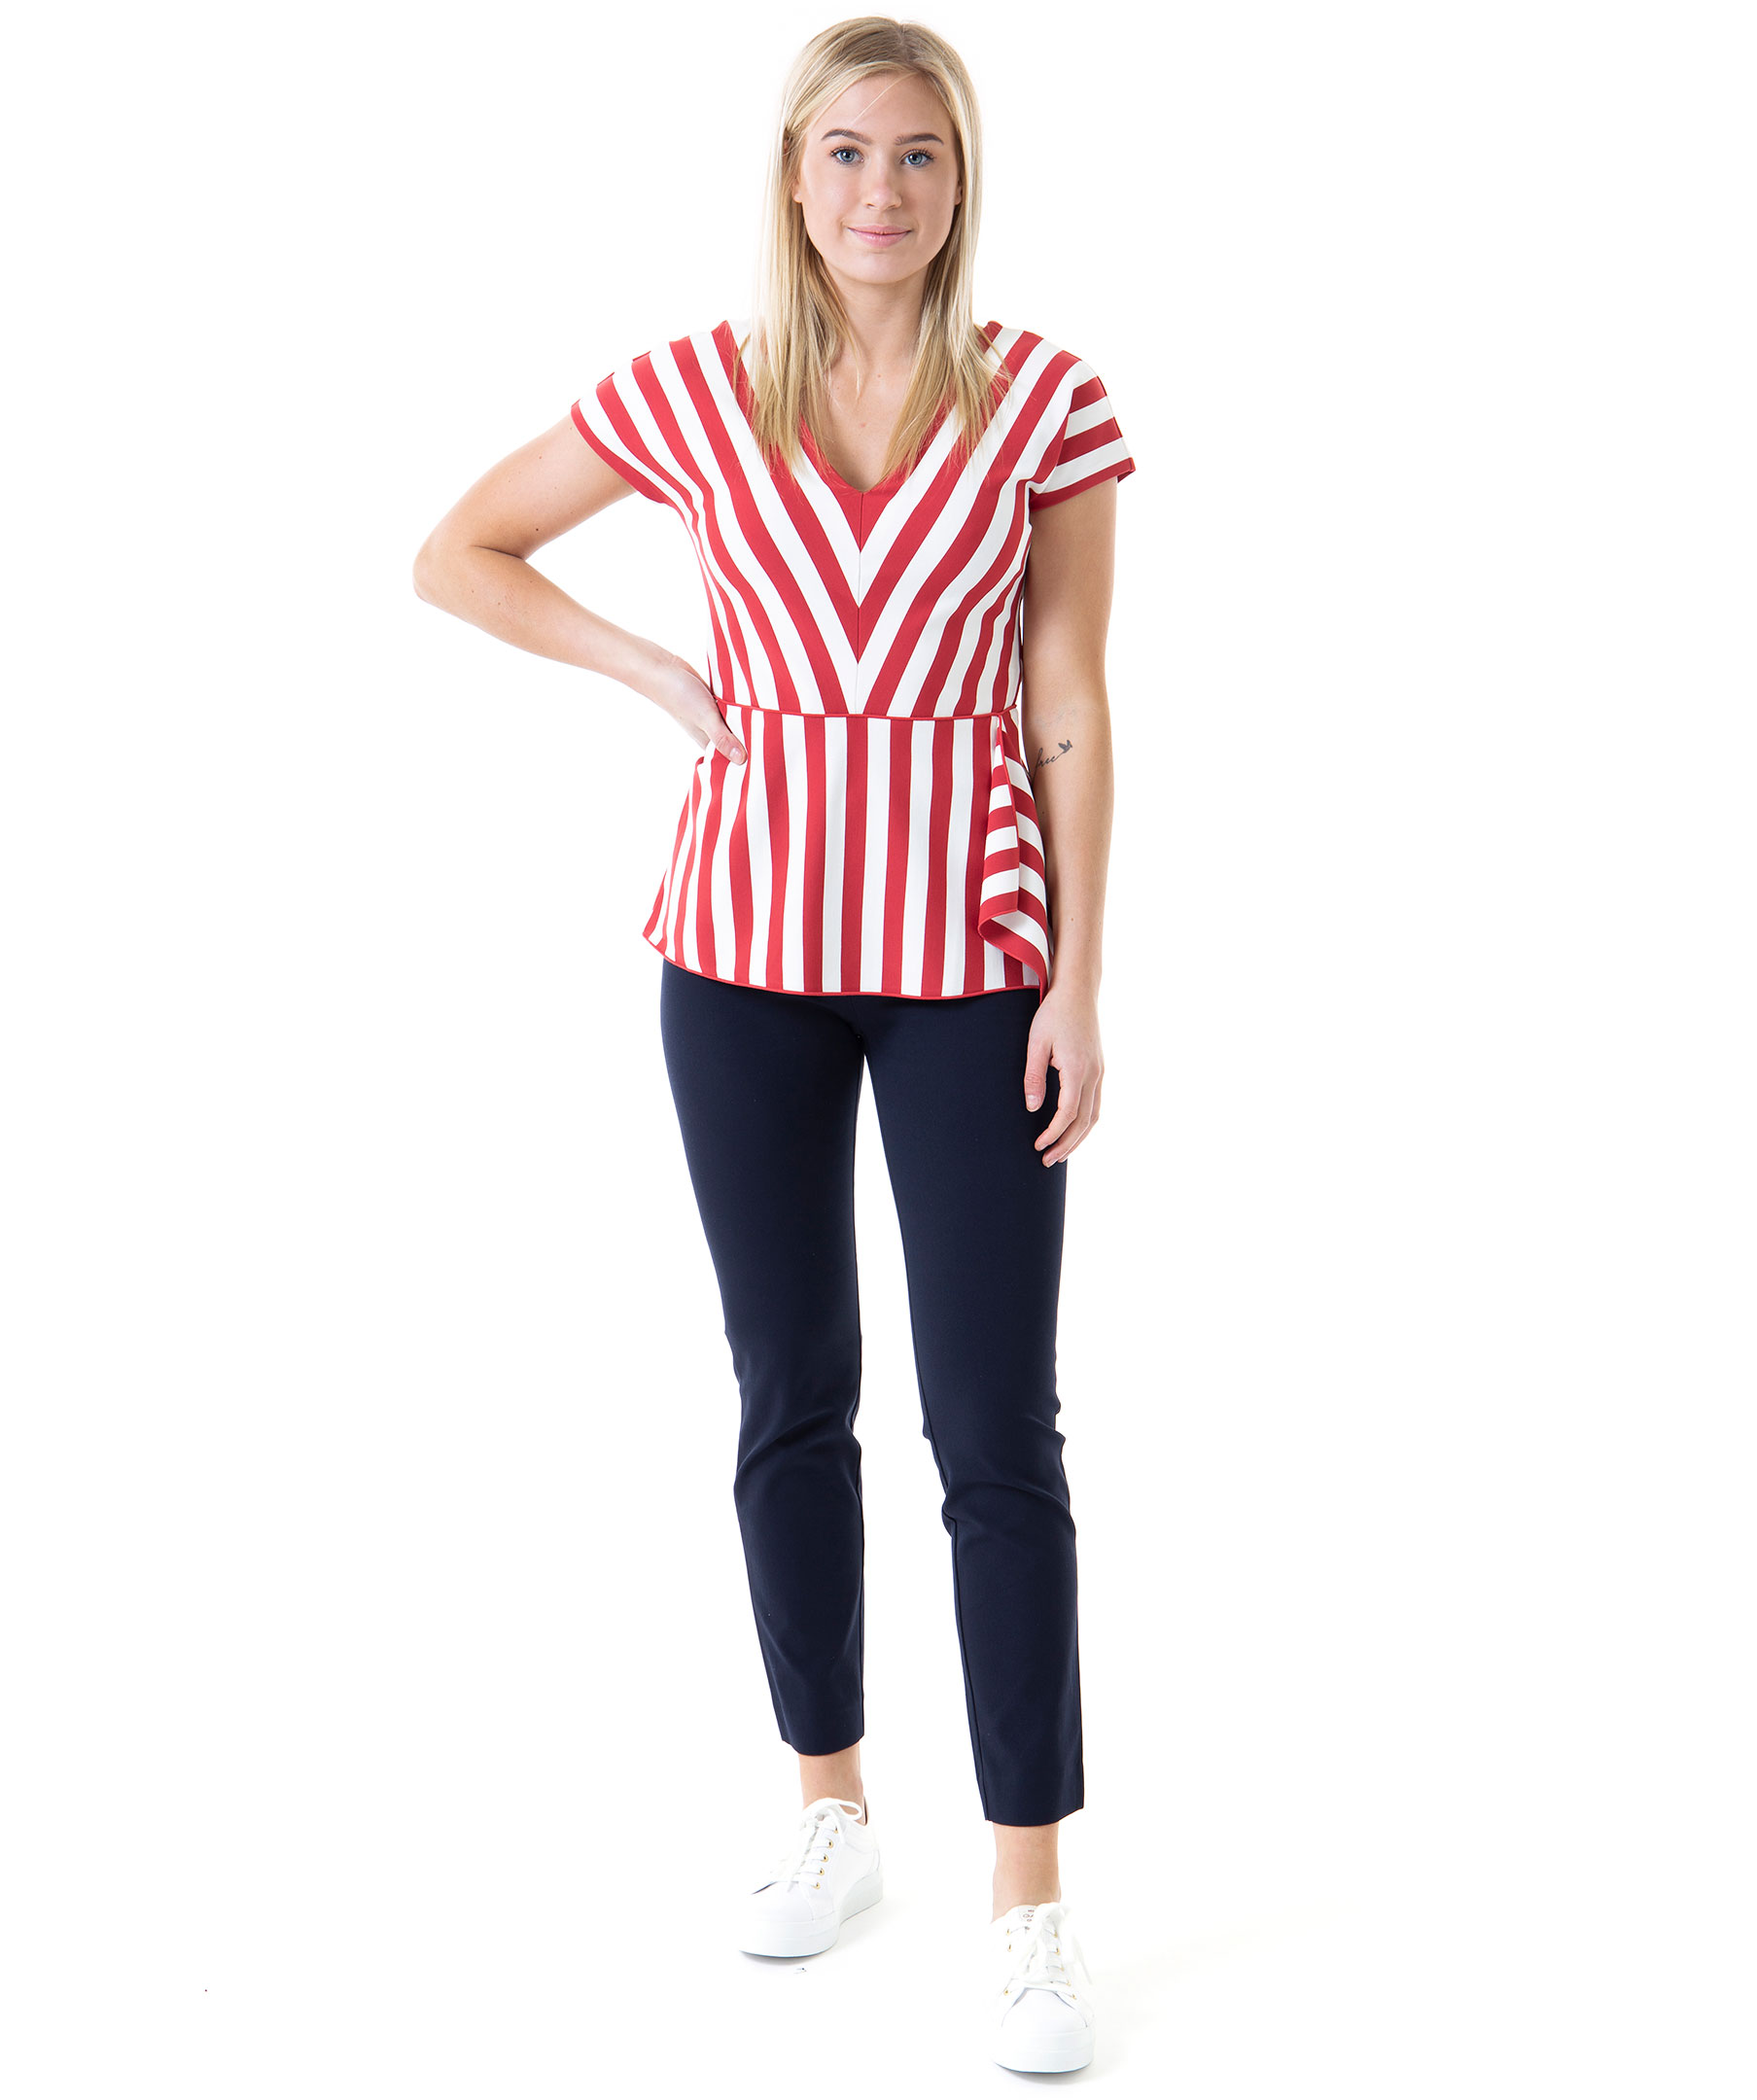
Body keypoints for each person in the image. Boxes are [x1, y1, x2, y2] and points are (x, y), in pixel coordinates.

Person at [412, 18, 1133, 2075]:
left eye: (918, 155)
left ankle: (1029, 1900)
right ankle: (831, 1805)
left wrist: (1081, 979)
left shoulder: (1045, 403)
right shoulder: (698, 385)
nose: (880, 191)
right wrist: (656, 671)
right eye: (845, 153)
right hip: (738, 959)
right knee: (788, 1389)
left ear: (959, 181)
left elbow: (1070, 696)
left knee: (995, 1429)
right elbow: (457, 552)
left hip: (974, 959)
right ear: (793, 176)